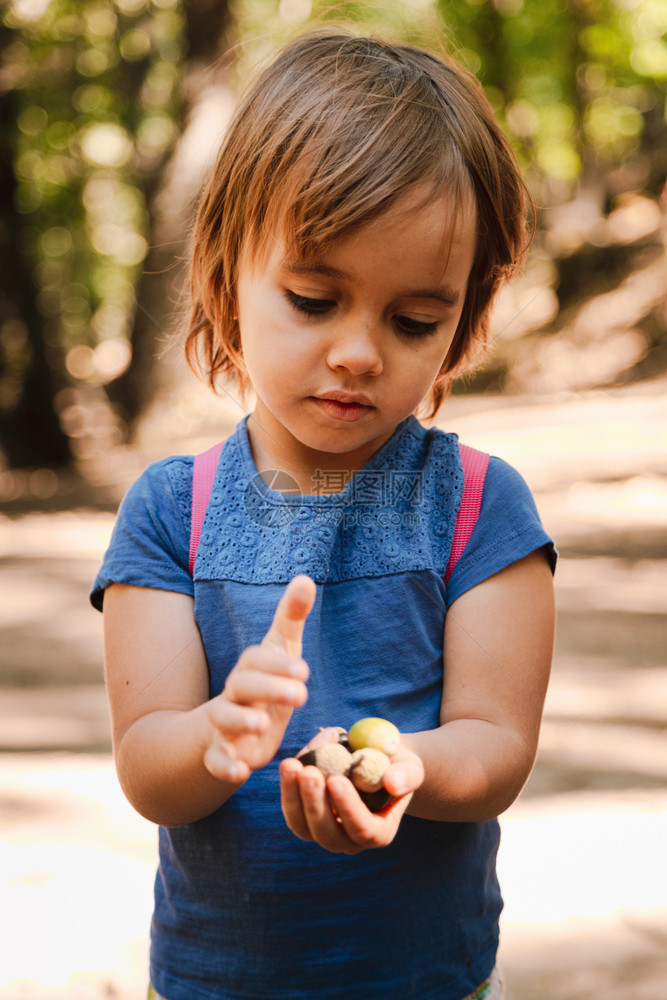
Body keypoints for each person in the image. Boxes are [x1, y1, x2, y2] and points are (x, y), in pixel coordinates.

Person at [91, 29, 556, 1000]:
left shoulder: (478, 504)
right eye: (313, 298)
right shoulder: (171, 514)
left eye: (413, 320)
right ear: (225, 283)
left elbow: (497, 745)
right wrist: (221, 734)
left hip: (429, 980)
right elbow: (147, 764)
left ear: (460, 322)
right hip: (217, 980)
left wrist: (392, 771)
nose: (357, 352)